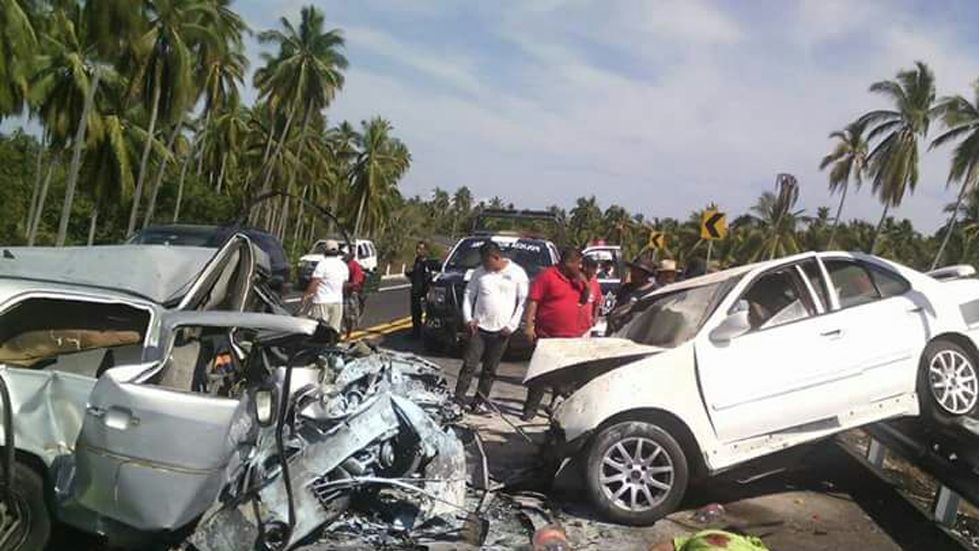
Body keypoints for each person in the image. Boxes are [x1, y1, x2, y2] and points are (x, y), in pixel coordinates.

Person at [455, 241, 529, 413]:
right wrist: (468, 319)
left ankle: (479, 401)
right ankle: (458, 399)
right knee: (469, 365)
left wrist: (512, 325)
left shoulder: (517, 273)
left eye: (487, 261)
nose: (485, 265)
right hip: (479, 329)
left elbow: (523, 302)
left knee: (490, 369)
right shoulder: (479, 273)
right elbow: (468, 295)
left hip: (501, 331)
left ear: (496, 257)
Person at [521, 247, 586, 421]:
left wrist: (584, 282)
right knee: (541, 375)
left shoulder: (577, 279)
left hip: (570, 337)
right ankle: (530, 410)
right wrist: (528, 325)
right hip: (547, 335)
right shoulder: (547, 276)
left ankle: (556, 411)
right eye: (578, 264)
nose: (580, 267)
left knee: (565, 378)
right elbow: (533, 301)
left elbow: (584, 299)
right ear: (569, 262)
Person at [302, 239, 348, 334]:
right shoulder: (343, 265)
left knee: (319, 331)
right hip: (337, 302)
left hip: (322, 301)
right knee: (334, 331)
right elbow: (343, 284)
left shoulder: (323, 264)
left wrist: (306, 295)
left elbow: (315, 282)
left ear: (325, 251)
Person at [406, 241, 432, 339]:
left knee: (420, 313)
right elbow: (415, 273)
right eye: (417, 248)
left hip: (421, 291)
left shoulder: (426, 262)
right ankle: (414, 331)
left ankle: (418, 334)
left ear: (425, 250)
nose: (418, 250)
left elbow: (427, 277)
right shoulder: (417, 260)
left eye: (421, 249)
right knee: (414, 313)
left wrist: (425, 292)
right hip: (415, 289)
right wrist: (409, 273)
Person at [342, 251, 366, 339]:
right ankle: (348, 326)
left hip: (352, 290)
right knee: (345, 310)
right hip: (346, 290)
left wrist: (347, 285)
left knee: (350, 310)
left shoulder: (354, 265)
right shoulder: (345, 264)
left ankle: (352, 326)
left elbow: (357, 281)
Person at [579, 255, 603, 334]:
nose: (595, 271)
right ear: (585, 268)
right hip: (573, 327)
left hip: (586, 328)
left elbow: (597, 302)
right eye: (593, 268)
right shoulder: (575, 281)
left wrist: (595, 317)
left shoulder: (594, 282)